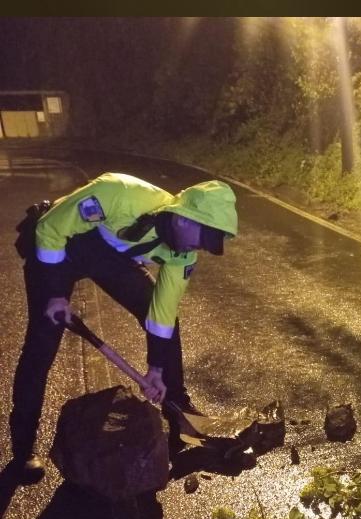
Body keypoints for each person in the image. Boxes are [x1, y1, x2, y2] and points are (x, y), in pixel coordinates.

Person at [9, 172, 238, 483]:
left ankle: (179, 411)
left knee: (165, 323)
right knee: (42, 345)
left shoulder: (182, 254)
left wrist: (156, 368)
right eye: (203, 237)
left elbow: (162, 314)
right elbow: (50, 229)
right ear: (185, 218)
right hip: (60, 245)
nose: (200, 248)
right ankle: (23, 449)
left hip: (110, 258)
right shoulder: (118, 194)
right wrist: (55, 295)